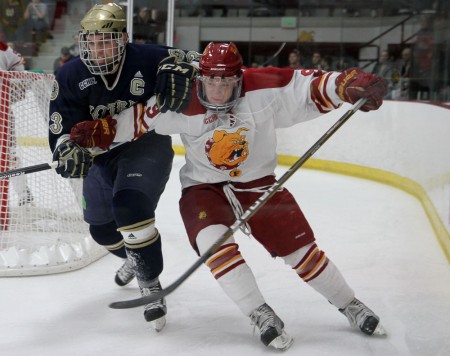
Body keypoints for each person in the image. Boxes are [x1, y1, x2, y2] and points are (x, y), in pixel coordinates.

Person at [73, 42, 388, 350]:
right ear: (202, 77)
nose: (218, 90)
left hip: (257, 184)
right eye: (211, 81)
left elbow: (311, 84)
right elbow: (141, 118)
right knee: (217, 248)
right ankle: (259, 313)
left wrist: (348, 84)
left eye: (226, 82)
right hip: (202, 190)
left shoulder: (263, 86)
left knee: (301, 251)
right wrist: (100, 131)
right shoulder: (183, 96)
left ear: (240, 77)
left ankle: (351, 305)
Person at [48, 2, 198, 332]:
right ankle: (135, 257)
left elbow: (205, 65)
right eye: (91, 42)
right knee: (101, 230)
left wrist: (189, 70)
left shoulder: (149, 58)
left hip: (145, 146)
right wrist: (65, 150)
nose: (97, 50)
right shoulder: (70, 74)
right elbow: (60, 127)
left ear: (123, 39)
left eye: (105, 41)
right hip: (100, 157)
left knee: (129, 208)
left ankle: (150, 282)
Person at [0, 41, 34, 206]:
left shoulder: (4, 49)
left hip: (2, 114)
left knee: (10, 156)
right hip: (4, 112)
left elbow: (21, 74)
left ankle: (24, 194)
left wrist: (13, 88)